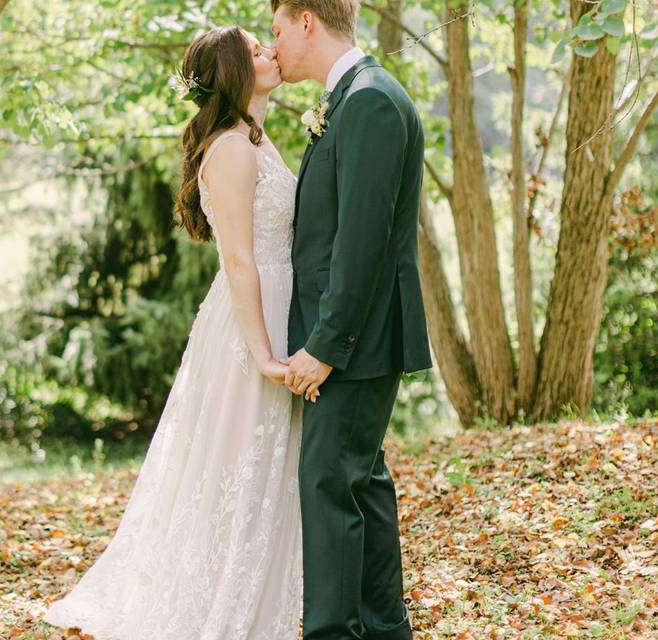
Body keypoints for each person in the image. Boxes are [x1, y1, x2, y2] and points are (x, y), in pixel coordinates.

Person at [42, 25, 308, 639]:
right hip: (253, 313)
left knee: (263, 459)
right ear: (236, 73)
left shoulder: (254, 138)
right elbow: (238, 258)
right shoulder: (233, 149)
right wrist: (263, 355)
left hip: (276, 300)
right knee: (240, 456)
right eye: (256, 49)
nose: (270, 51)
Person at [270, 1, 433, 639]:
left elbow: (360, 244)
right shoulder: (355, 97)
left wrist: (325, 346)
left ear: (307, 21)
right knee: (360, 484)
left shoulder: (368, 101)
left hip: (354, 339)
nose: (273, 44)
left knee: (329, 484)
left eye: (277, 29)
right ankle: (384, 629)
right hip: (354, 335)